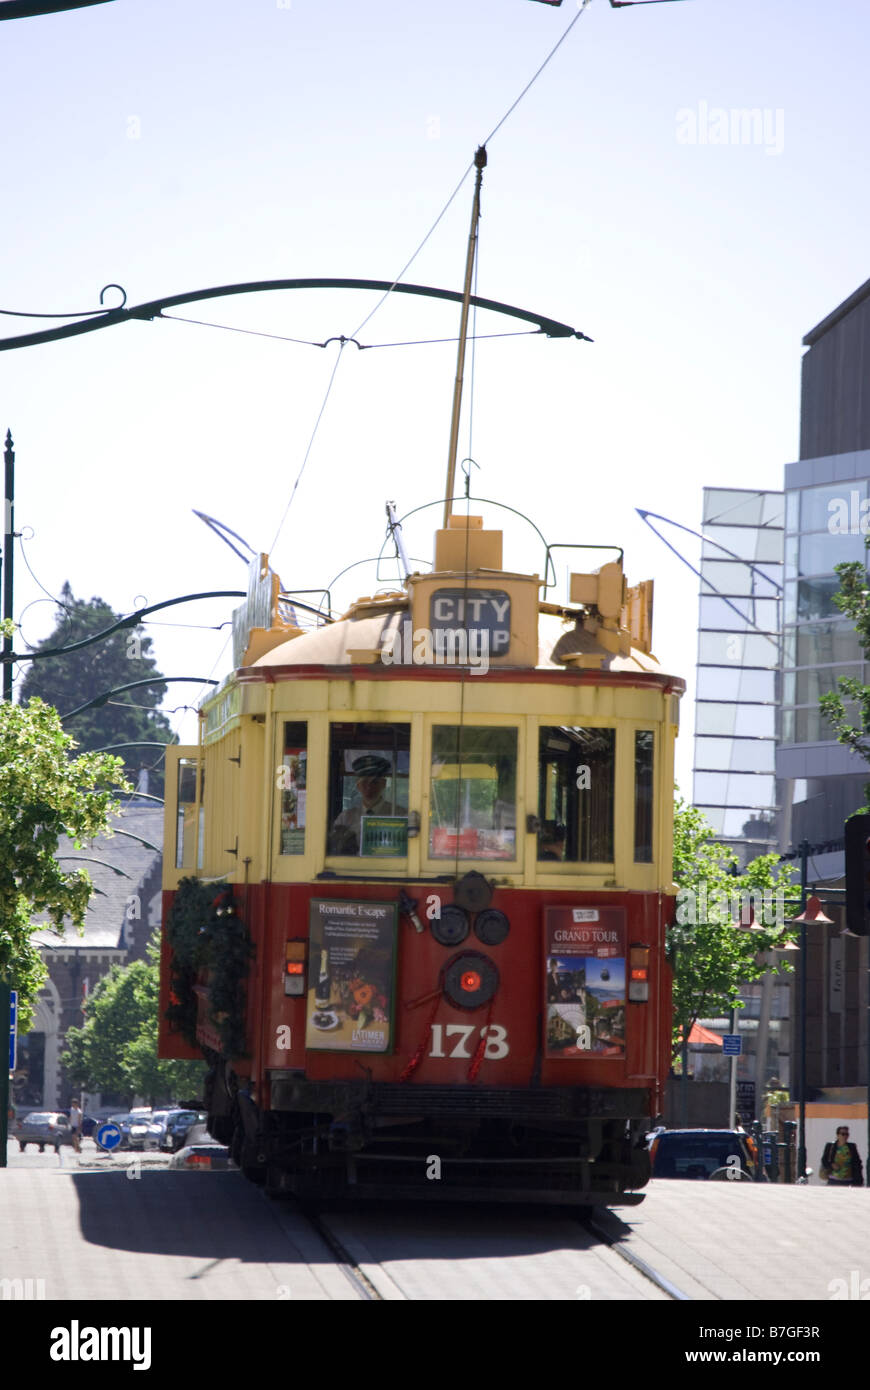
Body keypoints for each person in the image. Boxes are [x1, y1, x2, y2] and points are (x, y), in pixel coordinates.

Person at [328, 754, 393, 854]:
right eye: (364, 782)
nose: (369, 787)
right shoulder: (345, 818)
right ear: (358, 785)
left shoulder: (398, 814)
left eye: (374, 782)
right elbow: (335, 847)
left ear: (383, 783)